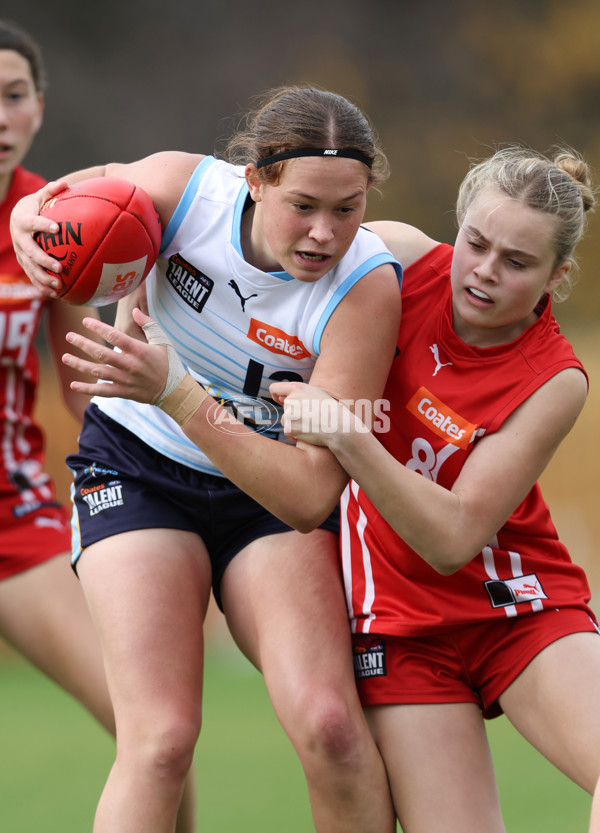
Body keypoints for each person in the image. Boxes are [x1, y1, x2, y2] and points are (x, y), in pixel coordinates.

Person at [10, 85, 403, 832]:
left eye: (347, 209)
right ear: (254, 180)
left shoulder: (364, 288)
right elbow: (71, 195)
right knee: (159, 742)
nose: (325, 232)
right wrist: (32, 217)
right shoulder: (182, 191)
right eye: (304, 206)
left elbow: (311, 498)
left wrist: (180, 392)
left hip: (270, 496)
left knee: (333, 730)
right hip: (138, 468)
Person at [270, 145, 600, 832]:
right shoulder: (390, 261)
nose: (484, 271)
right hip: (402, 625)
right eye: (476, 243)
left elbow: (452, 537)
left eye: (517, 262)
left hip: (519, 607)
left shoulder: (556, 378)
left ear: (556, 275)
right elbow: (265, 228)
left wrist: (349, 436)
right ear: (456, 226)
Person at [0, 19, 196, 832]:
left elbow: (88, 387)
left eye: (13, 97)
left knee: (153, 734)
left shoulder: (65, 219)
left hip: (16, 514)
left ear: (40, 108)